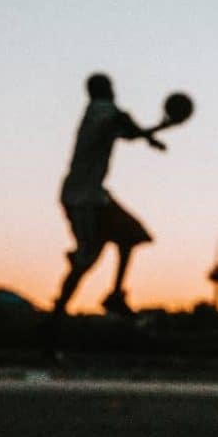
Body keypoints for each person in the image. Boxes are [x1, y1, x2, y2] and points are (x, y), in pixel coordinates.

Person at [54, 73, 166, 316]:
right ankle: (55, 318)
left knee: (131, 234)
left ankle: (115, 294)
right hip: (81, 198)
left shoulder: (101, 117)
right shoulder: (99, 109)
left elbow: (130, 132)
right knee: (86, 261)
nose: (115, 91)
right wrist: (150, 136)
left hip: (95, 196)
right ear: (102, 90)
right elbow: (124, 120)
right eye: (111, 86)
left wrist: (159, 128)